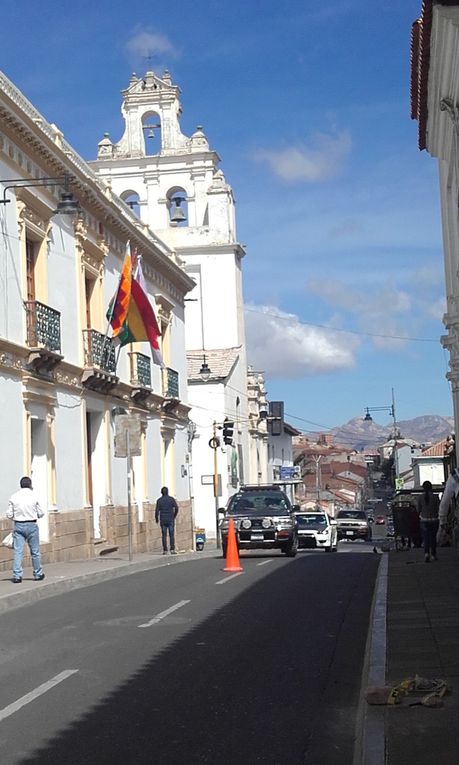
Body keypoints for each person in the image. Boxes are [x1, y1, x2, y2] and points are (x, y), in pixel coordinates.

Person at [6, 476, 45, 583]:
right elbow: (41, 513)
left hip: (19, 525)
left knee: (18, 551)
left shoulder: (14, 497)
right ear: (30, 484)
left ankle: (17, 575)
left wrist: (16, 516)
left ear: (21, 485)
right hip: (32, 525)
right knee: (35, 551)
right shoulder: (34, 496)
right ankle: (38, 574)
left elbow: (9, 514)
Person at [416, 480, 440, 562]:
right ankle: (433, 554)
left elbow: (418, 509)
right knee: (433, 538)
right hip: (434, 520)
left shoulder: (420, 498)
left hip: (424, 520)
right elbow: (438, 508)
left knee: (426, 538)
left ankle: (426, 553)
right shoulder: (435, 497)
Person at [155, 487, 179, 555]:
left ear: (161, 492)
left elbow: (157, 511)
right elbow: (176, 508)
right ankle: (172, 549)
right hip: (170, 519)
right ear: (168, 492)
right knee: (171, 534)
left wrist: (157, 519)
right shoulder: (171, 499)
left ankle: (165, 550)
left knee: (164, 535)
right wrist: (174, 515)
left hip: (163, 519)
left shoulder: (159, 500)